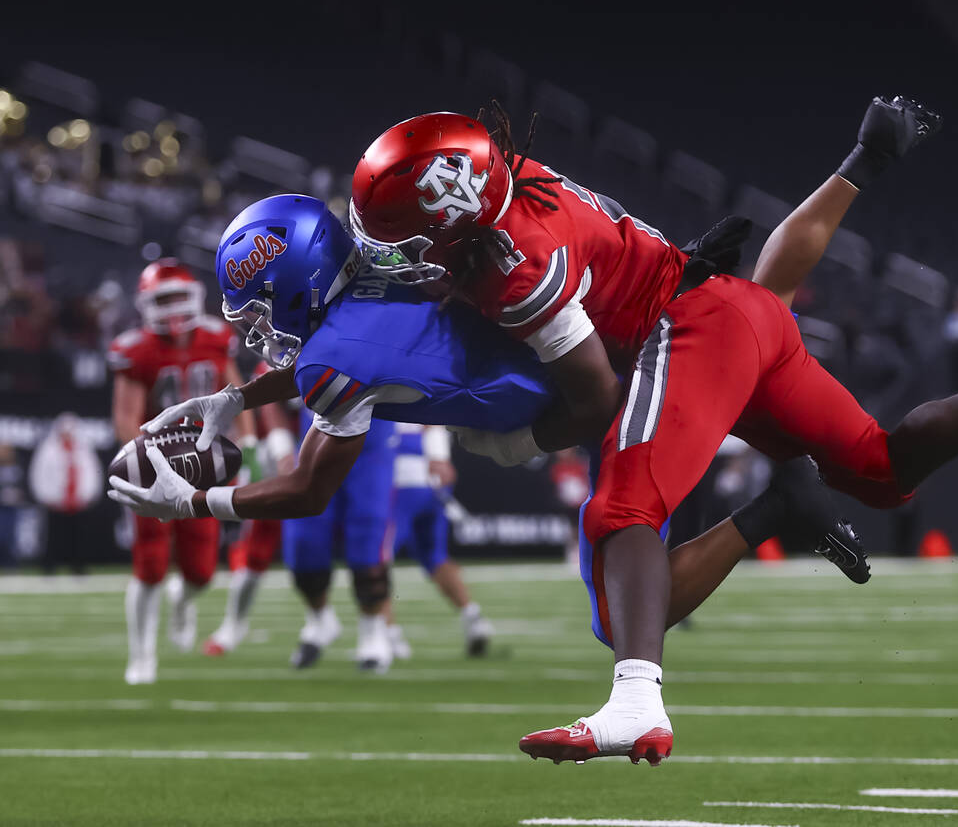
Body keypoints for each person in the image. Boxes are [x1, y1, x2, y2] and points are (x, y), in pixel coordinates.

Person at [342, 98, 958, 765]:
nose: (399, 255)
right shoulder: (513, 186)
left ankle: (636, 702)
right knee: (879, 469)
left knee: (617, 514)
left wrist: (511, 444)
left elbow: (593, 402)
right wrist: (863, 164)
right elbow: (742, 293)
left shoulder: (515, 264)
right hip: (744, 316)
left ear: (455, 215)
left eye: (408, 237)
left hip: (694, 328)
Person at [107, 186, 864, 686]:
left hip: (583, 403)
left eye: (261, 307)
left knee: (623, 611)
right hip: (600, 339)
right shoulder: (375, 264)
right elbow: (334, 350)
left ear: (300, 280)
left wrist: (197, 501)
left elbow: (309, 489)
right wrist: (237, 397)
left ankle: (779, 507)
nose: (256, 328)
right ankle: (774, 428)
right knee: (766, 343)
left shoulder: (333, 362)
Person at [107, 258, 252, 685]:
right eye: (162, 299)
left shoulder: (214, 336)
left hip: (202, 467)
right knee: (149, 565)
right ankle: (142, 655)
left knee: (201, 572)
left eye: (177, 298)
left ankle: (184, 600)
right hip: (155, 464)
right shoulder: (136, 349)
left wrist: (247, 447)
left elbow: (237, 394)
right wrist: (148, 467)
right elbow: (126, 417)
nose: (171, 308)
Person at [283, 407, 412, 672]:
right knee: (303, 543)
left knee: (368, 541)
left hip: (372, 444)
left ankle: (372, 632)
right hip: (316, 440)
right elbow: (273, 382)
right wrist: (278, 442)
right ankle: (320, 620)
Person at [203, 361, 297, 656]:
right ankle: (234, 624)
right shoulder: (273, 359)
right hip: (283, 463)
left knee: (367, 544)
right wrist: (281, 451)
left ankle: (383, 630)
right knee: (256, 550)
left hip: (338, 452)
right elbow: (267, 410)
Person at [389, 424, 495, 657]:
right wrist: (439, 455)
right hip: (434, 476)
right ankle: (472, 617)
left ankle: (388, 634)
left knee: (377, 559)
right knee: (435, 557)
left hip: (399, 470)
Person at [27, 412, 104, 575]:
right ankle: (49, 567)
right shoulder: (48, 450)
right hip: (55, 502)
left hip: (77, 502)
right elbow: (39, 474)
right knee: (53, 537)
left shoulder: (83, 449)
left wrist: (88, 495)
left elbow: (91, 474)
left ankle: (78, 566)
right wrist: (45, 496)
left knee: (78, 538)